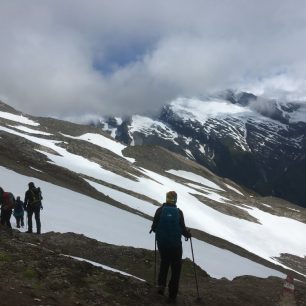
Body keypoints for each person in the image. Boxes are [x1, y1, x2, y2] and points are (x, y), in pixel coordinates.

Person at [150, 191, 191, 304]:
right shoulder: (178, 212)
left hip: (163, 245)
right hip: (176, 246)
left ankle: (161, 288)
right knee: (176, 269)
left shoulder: (160, 210)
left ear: (167, 198)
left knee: (164, 263)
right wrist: (188, 234)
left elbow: (154, 228)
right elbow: (182, 229)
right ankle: (172, 295)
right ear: (175, 200)